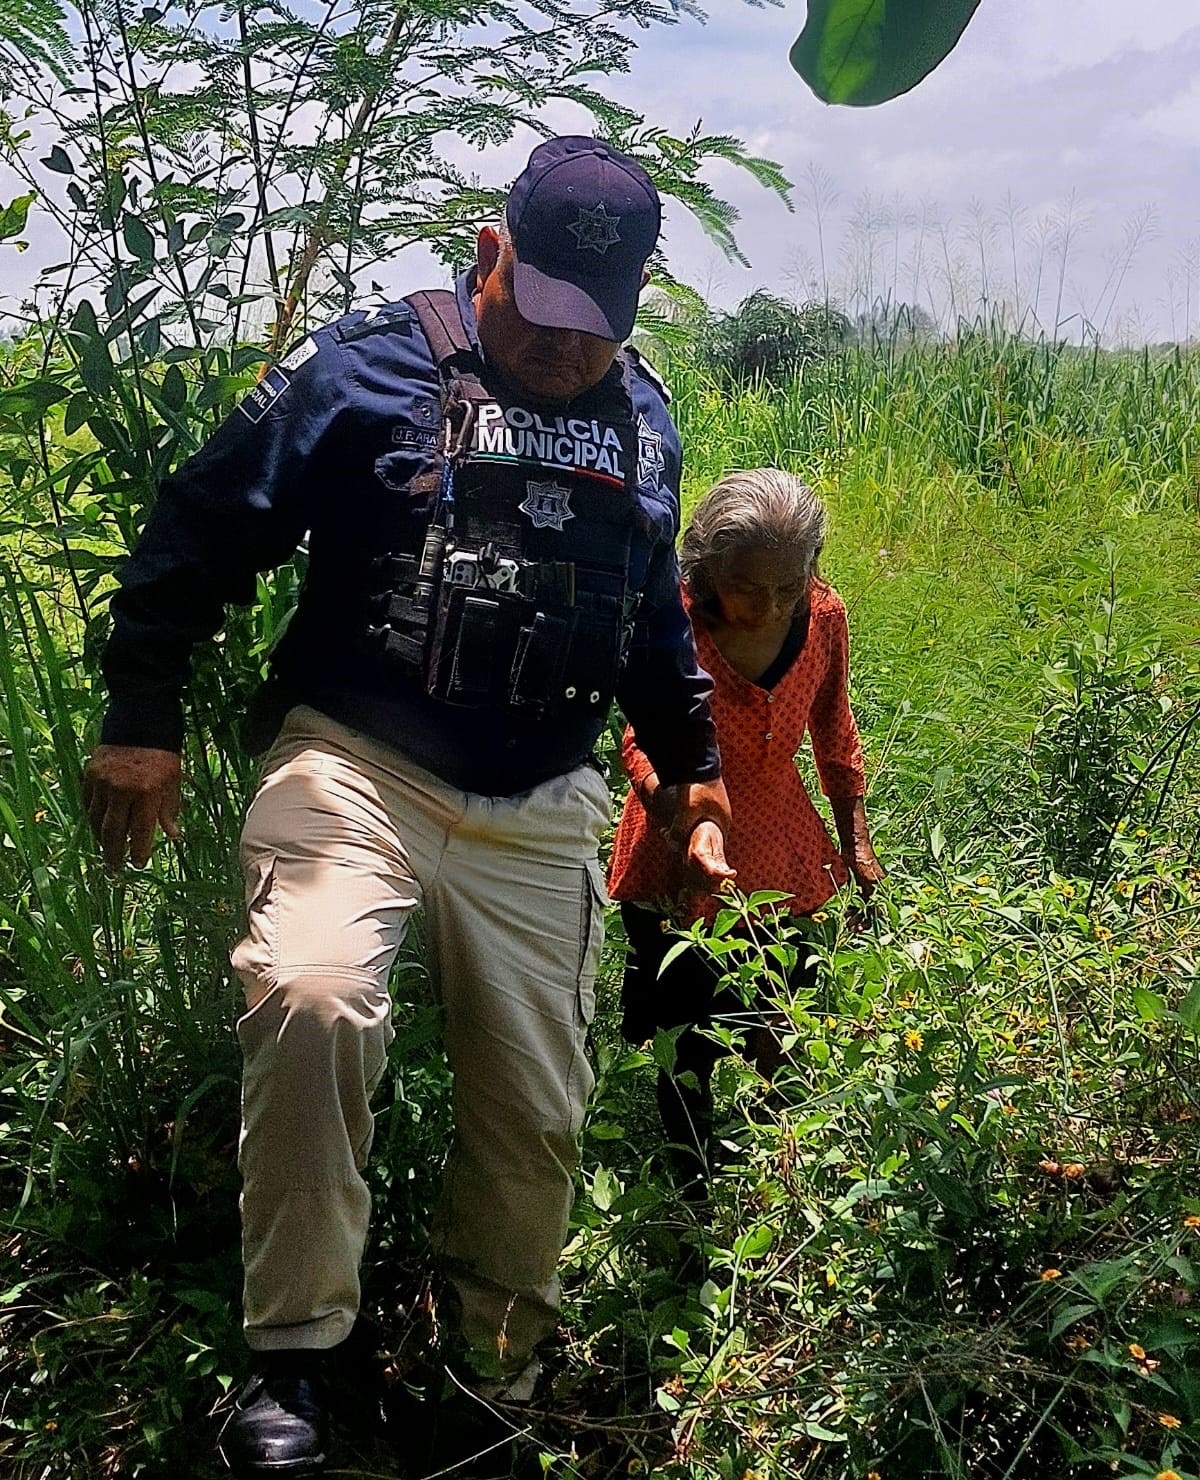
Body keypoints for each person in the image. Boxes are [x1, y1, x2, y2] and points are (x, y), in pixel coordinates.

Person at [81, 136, 733, 1477]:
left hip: (543, 795)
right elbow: (201, 523)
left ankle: (487, 1378)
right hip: (355, 763)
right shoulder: (370, 361)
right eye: (543, 318)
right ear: (493, 257)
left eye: (593, 332)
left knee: (541, 1106)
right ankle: (295, 1365)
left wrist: (696, 777)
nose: (563, 352)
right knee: (313, 997)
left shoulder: (647, 418)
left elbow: (650, 619)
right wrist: (141, 720)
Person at [607, 468, 883, 1199]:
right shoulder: (673, 624)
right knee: (685, 1031)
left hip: (784, 850)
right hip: (680, 845)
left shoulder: (823, 616)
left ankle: (787, 1180)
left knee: (784, 1016)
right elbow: (638, 737)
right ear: (705, 570)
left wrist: (853, 832)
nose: (769, 607)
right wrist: (685, 813)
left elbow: (833, 724)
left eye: (788, 586)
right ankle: (691, 1192)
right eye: (749, 587)